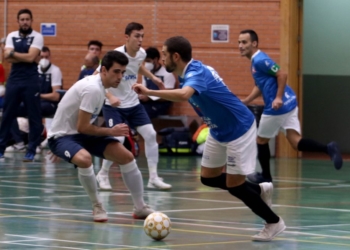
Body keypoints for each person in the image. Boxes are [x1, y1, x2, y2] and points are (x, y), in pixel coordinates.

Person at [132, 36, 286, 242]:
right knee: (208, 177)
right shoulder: (191, 71)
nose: (162, 59)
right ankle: (259, 189)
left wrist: (150, 91)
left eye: (164, 55)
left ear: (175, 56)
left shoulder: (196, 73)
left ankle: (274, 221)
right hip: (217, 129)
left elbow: (185, 94)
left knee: (235, 185)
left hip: (239, 128)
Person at [48, 50, 154, 222]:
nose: (120, 77)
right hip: (63, 137)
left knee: (126, 156)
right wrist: (111, 132)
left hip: (80, 134)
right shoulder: (93, 89)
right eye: (116, 72)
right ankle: (97, 205)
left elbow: (85, 125)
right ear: (104, 70)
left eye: (123, 72)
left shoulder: (102, 88)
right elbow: (82, 127)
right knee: (84, 159)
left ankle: (140, 207)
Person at [238, 29, 343, 184]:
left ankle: (265, 176)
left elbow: (282, 74)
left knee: (261, 140)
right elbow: (259, 86)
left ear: (254, 43)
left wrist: (278, 97)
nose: (240, 45)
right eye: (239, 42)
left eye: (244, 42)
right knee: (295, 142)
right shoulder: (254, 63)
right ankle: (328, 148)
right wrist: (246, 101)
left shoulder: (260, 60)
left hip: (277, 108)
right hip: (290, 103)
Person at [95, 22, 172, 191]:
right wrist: (109, 95)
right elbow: (96, 78)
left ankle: (153, 177)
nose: (140, 40)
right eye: (137, 36)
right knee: (118, 139)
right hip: (114, 106)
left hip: (133, 104)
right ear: (127, 37)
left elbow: (138, 67)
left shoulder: (141, 53)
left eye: (142, 36)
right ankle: (102, 174)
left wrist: (154, 78)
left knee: (151, 135)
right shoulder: (114, 55)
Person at [0, 9, 44, 161]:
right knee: (7, 115)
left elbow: (32, 57)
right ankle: (1, 149)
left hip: (31, 80)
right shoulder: (12, 35)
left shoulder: (37, 36)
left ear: (31, 21)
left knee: (34, 116)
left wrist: (13, 54)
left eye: (27, 19)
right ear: (18, 21)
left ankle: (31, 150)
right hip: (14, 80)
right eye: (22, 19)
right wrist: (24, 57)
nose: (25, 22)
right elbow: (7, 57)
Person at [6, 46, 62, 152]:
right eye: (42, 57)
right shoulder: (32, 70)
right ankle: (19, 142)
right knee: (10, 110)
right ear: (37, 57)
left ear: (50, 57)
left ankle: (35, 142)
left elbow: (56, 96)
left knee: (34, 110)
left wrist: (37, 95)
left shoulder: (55, 71)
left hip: (49, 103)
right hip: (33, 100)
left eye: (47, 57)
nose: (44, 59)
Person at [139, 47, 176, 119]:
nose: (146, 64)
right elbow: (144, 89)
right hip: (146, 103)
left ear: (155, 60)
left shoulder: (167, 74)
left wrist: (149, 97)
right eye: (145, 61)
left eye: (148, 61)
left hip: (160, 105)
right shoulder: (146, 74)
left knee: (142, 113)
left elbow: (169, 96)